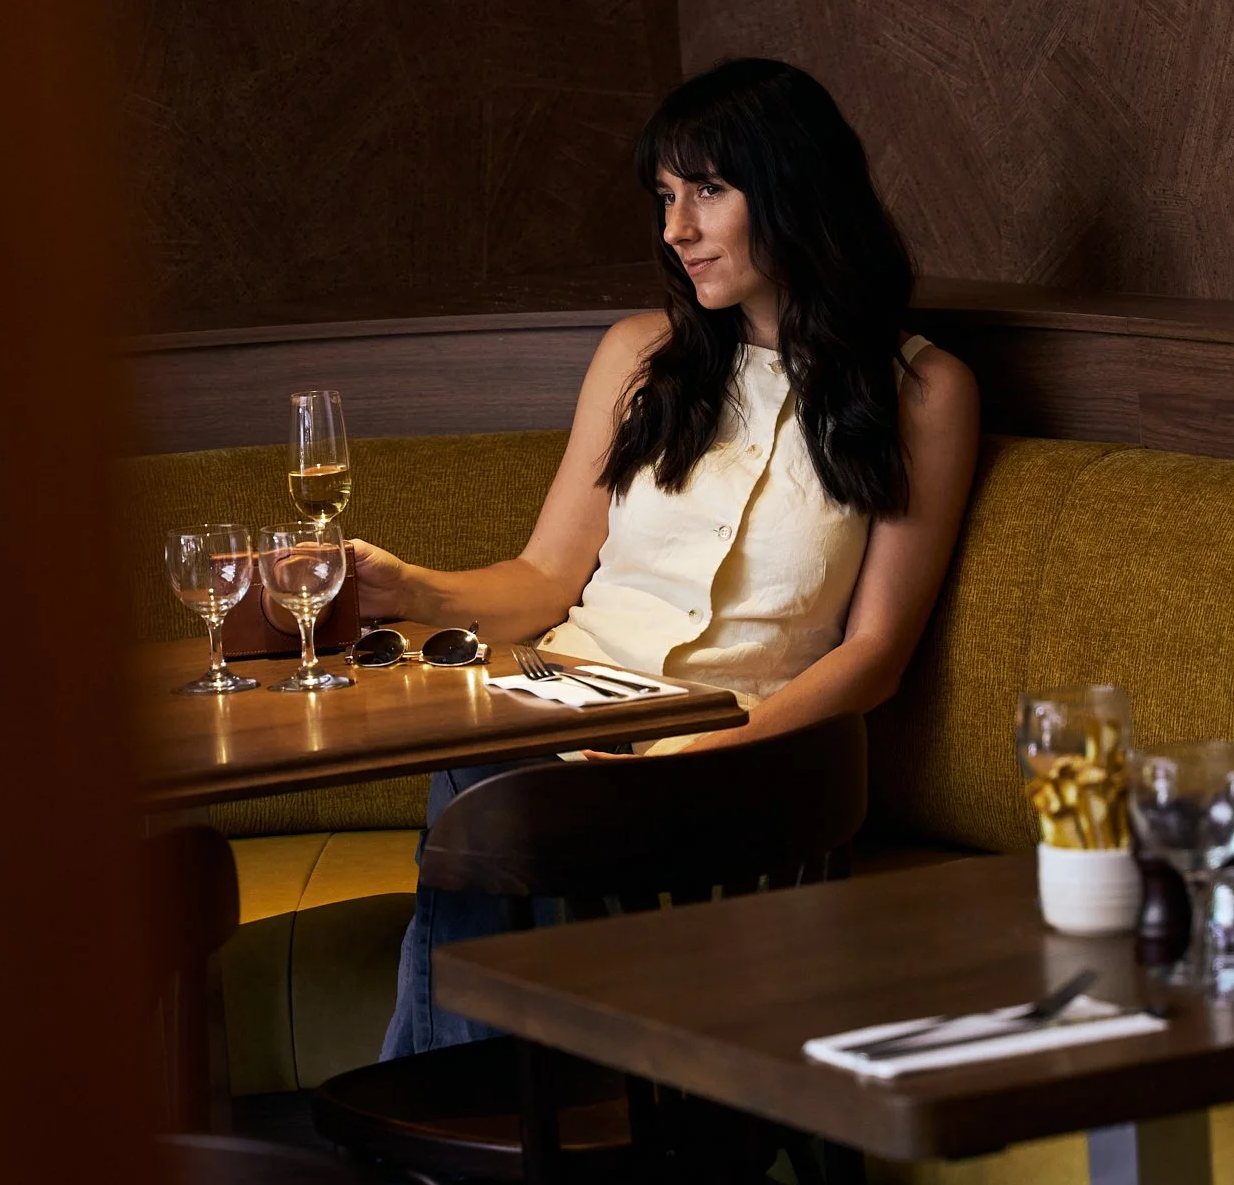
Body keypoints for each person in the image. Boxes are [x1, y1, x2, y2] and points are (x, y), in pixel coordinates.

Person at [353, 58, 979, 1056]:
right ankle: (486, 1127)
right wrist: (408, 587)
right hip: (564, 727)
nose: (674, 228)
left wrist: (705, 755)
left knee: (505, 814)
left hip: (745, 764)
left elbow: (875, 654)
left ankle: (447, 1131)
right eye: (665, 196)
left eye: (708, 190)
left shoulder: (922, 390)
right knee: (479, 760)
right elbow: (546, 579)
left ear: (794, 184)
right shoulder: (642, 355)